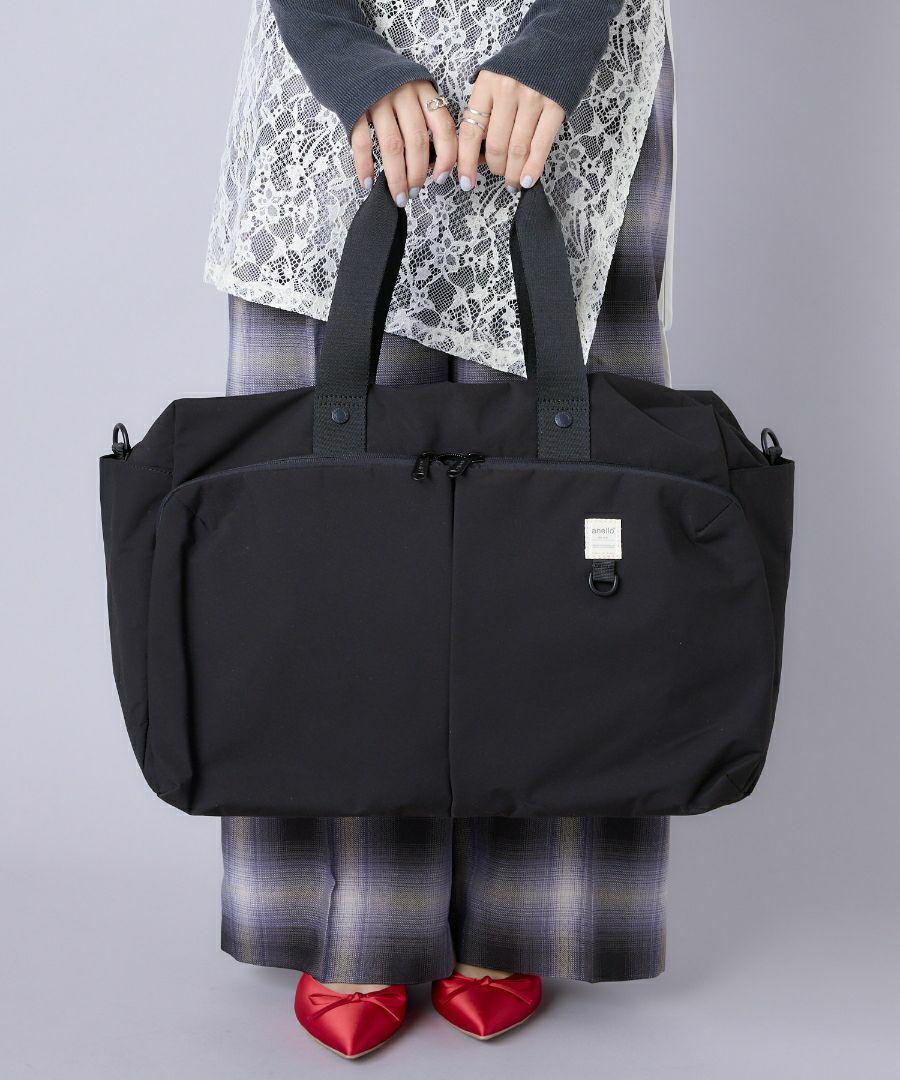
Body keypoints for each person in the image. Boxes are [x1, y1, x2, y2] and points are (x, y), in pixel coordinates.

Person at [204, 0, 676, 1059]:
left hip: (571, 57)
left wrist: (560, 41)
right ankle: (357, 908)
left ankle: (522, 904)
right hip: (338, 51)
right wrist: (339, 50)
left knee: (550, 523)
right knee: (339, 525)